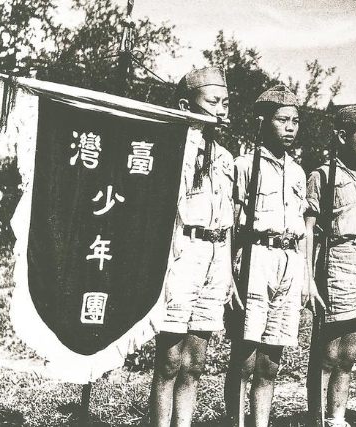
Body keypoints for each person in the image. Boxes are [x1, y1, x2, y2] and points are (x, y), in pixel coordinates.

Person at [149, 66, 237, 427]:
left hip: (216, 257)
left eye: (226, 103)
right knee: (170, 360)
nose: (222, 110)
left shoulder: (226, 157)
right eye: (213, 102)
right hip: (183, 252)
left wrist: (228, 270)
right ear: (186, 105)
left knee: (196, 362)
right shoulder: (173, 150)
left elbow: (229, 220)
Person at [223, 85, 307, 427]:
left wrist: (303, 275)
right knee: (245, 356)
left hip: (289, 260)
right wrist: (230, 272)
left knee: (272, 359)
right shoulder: (244, 165)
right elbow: (232, 223)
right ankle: (236, 422)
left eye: (295, 121)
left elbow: (302, 226)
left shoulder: (298, 171)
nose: (290, 128)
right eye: (282, 120)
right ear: (263, 122)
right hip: (256, 256)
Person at [304, 104, 356, 427]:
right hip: (339, 262)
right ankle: (317, 418)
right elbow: (309, 230)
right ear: (342, 136)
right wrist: (309, 278)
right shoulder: (323, 176)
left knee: (349, 353)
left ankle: (337, 417)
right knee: (328, 353)